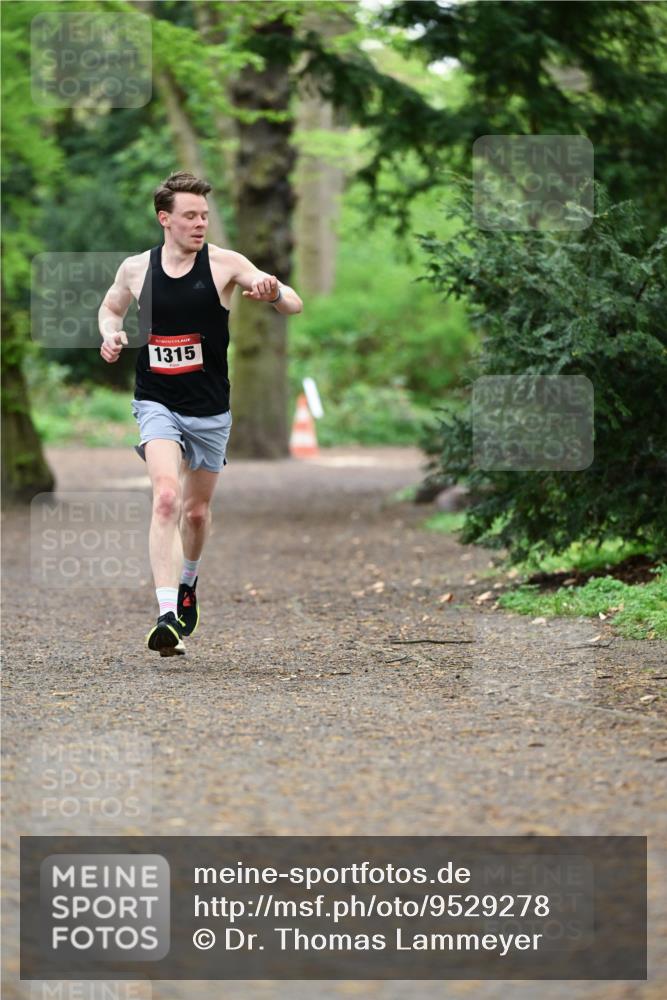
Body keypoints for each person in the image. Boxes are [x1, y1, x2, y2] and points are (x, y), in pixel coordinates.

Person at [99, 171, 303, 656]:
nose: (200, 224)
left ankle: (188, 581)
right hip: (156, 401)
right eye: (190, 216)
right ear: (164, 219)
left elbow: (292, 303)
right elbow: (111, 307)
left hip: (210, 410)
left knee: (195, 511)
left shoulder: (225, 264)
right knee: (167, 497)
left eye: (205, 216)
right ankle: (167, 614)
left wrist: (272, 291)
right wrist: (110, 332)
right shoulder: (136, 269)